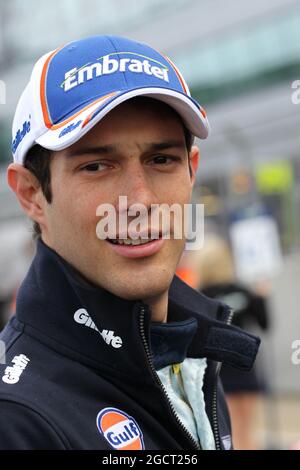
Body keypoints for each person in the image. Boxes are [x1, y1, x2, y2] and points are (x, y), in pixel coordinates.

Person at [0, 35, 260, 450]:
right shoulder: (17, 420)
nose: (139, 200)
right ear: (31, 193)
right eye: (97, 165)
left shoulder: (189, 356)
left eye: (161, 160)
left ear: (191, 171)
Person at [197, 235, 269, 450]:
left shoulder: (199, 297)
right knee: (246, 431)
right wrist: (261, 297)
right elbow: (265, 323)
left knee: (232, 432)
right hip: (240, 365)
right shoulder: (241, 291)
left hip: (218, 369)